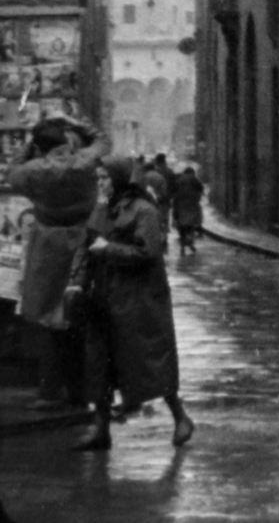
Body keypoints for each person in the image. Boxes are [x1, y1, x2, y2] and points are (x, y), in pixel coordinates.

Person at [75, 155, 194, 451]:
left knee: (149, 361)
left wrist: (108, 249)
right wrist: (77, 281)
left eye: (105, 178)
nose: (100, 183)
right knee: (100, 362)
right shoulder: (101, 209)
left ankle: (181, 417)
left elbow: (148, 252)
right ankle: (101, 429)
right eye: (98, 178)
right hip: (103, 296)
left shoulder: (144, 211)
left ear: (118, 179)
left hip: (138, 300)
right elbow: (87, 246)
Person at [5, 117, 106, 409]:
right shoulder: (84, 162)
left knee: (50, 319)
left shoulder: (34, 171)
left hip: (48, 247)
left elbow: (13, 172)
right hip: (83, 244)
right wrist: (78, 123)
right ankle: (79, 391)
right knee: (78, 319)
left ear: (39, 147)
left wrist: (28, 146)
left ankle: (50, 392)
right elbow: (103, 141)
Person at [171, 166, 205, 256]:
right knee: (191, 222)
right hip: (192, 204)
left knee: (181, 223)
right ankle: (189, 239)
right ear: (191, 173)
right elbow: (201, 188)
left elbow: (172, 190)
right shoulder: (193, 178)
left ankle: (183, 243)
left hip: (179, 203)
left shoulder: (179, 179)